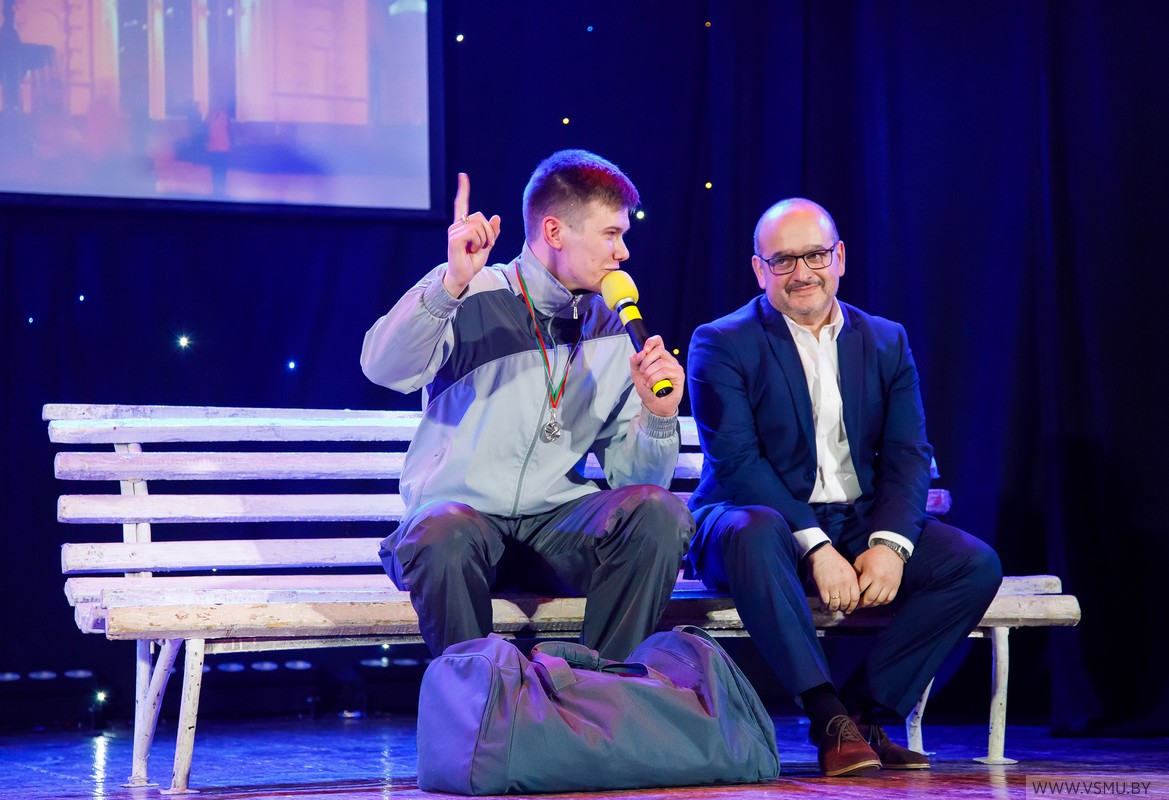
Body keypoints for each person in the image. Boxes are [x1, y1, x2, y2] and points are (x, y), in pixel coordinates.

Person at [685, 198, 1003, 777]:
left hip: (854, 519)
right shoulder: (721, 341)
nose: (801, 272)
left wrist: (889, 544)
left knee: (973, 564)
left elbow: (908, 453)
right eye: (783, 260)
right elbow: (738, 463)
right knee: (757, 530)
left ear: (840, 258)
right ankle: (826, 714)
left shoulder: (885, 340)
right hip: (746, 521)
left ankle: (863, 712)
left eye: (815, 255)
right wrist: (815, 545)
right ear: (759, 269)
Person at [361, 149, 694, 661]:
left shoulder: (614, 326)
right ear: (555, 232)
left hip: (554, 534)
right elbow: (383, 369)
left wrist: (658, 417)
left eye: (624, 235)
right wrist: (449, 285)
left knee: (659, 514)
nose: (623, 252)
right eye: (611, 234)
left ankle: (604, 692)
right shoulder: (471, 292)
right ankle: (478, 699)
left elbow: (635, 482)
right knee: (441, 532)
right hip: (462, 528)